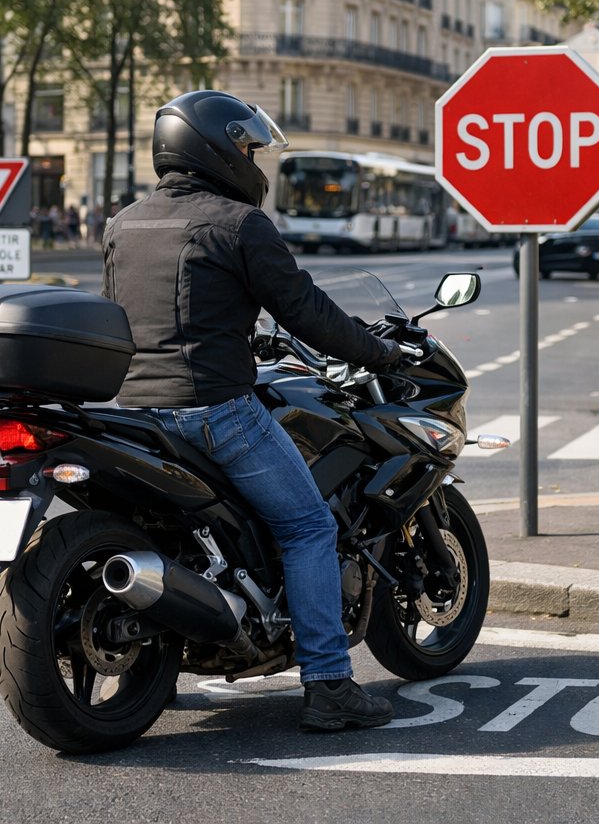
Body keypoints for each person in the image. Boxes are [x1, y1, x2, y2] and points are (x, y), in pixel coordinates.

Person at [102, 91, 401, 732]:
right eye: (247, 147)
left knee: (163, 535)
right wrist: (377, 352)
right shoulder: (239, 224)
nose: (252, 159)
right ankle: (328, 683)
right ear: (215, 147)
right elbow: (308, 313)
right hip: (213, 411)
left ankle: (154, 671)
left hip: (133, 413)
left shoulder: (123, 223)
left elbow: (127, 313)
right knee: (308, 529)